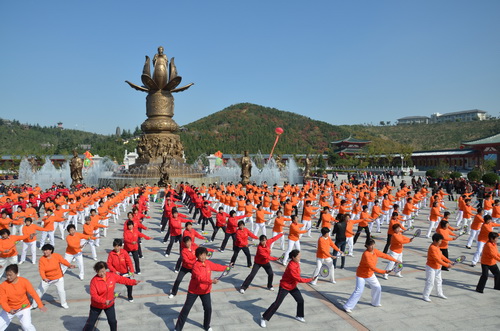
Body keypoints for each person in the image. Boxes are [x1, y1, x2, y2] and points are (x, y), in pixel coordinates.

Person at [174, 246, 227, 331]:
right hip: (194, 291)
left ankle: (206, 326)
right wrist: (211, 281)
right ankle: (178, 328)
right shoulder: (195, 266)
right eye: (200, 255)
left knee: (208, 308)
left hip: (205, 291)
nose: (202, 257)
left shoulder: (208, 263)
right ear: (197, 256)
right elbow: (200, 278)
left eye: (204, 255)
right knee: (186, 309)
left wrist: (227, 267)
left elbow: (217, 266)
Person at [343, 239, 399, 313]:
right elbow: (372, 267)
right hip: (361, 275)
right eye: (370, 245)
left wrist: (395, 260)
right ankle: (347, 306)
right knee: (359, 291)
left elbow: (384, 255)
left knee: (377, 287)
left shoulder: (375, 251)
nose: (372, 247)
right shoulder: (366, 254)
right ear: (367, 246)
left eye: (373, 245)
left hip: (370, 274)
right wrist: (384, 271)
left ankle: (375, 303)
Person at [260, 250, 313, 328]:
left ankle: (299, 316)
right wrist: (310, 279)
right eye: (298, 257)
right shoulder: (291, 267)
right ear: (293, 257)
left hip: (293, 286)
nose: (300, 258)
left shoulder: (296, 263)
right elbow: (298, 279)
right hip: (284, 287)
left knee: (300, 300)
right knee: (277, 304)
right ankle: (264, 318)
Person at [82, 261, 141, 331]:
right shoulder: (94, 281)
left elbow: (122, 279)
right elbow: (94, 295)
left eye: (103, 271)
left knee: (113, 322)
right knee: (91, 324)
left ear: (105, 269)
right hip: (97, 306)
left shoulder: (111, 276)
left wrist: (133, 282)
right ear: (96, 271)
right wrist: (103, 301)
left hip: (109, 304)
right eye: (99, 272)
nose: (102, 274)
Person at [0, 264, 47, 330]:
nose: (8, 277)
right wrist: (9, 310)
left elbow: (33, 293)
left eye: (10, 275)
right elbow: (2, 301)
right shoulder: (3, 286)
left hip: (23, 307)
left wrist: (40, 305)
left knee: (26, 326)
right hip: (10, 309)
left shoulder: (24, 281)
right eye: (7, 275)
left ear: (16, 273)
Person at [35, 244, 76, 309]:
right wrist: (44, 278)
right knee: (39, 291)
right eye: (44, 250)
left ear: (51, 250)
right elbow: (41, 270)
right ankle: (34, 304)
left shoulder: (56, 256)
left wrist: (69, 265)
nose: (45, 252)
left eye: (46, 250)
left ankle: (64, 304)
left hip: (58, 278)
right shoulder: (42, 259)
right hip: (47, 279)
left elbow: (63, 261)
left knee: (61, 291)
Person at [422, 233, 452, 302]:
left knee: (439, 281)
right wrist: (447, 265)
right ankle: (425, 296)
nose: (441, 242)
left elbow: (441, 256)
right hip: (431, 267)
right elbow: (437, 259)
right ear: (435, 241)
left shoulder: (437, 246)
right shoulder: (432, 248)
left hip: (437, 267)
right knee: (430, 282)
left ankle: (439, 293)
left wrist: (449, 261)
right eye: (440, 241)